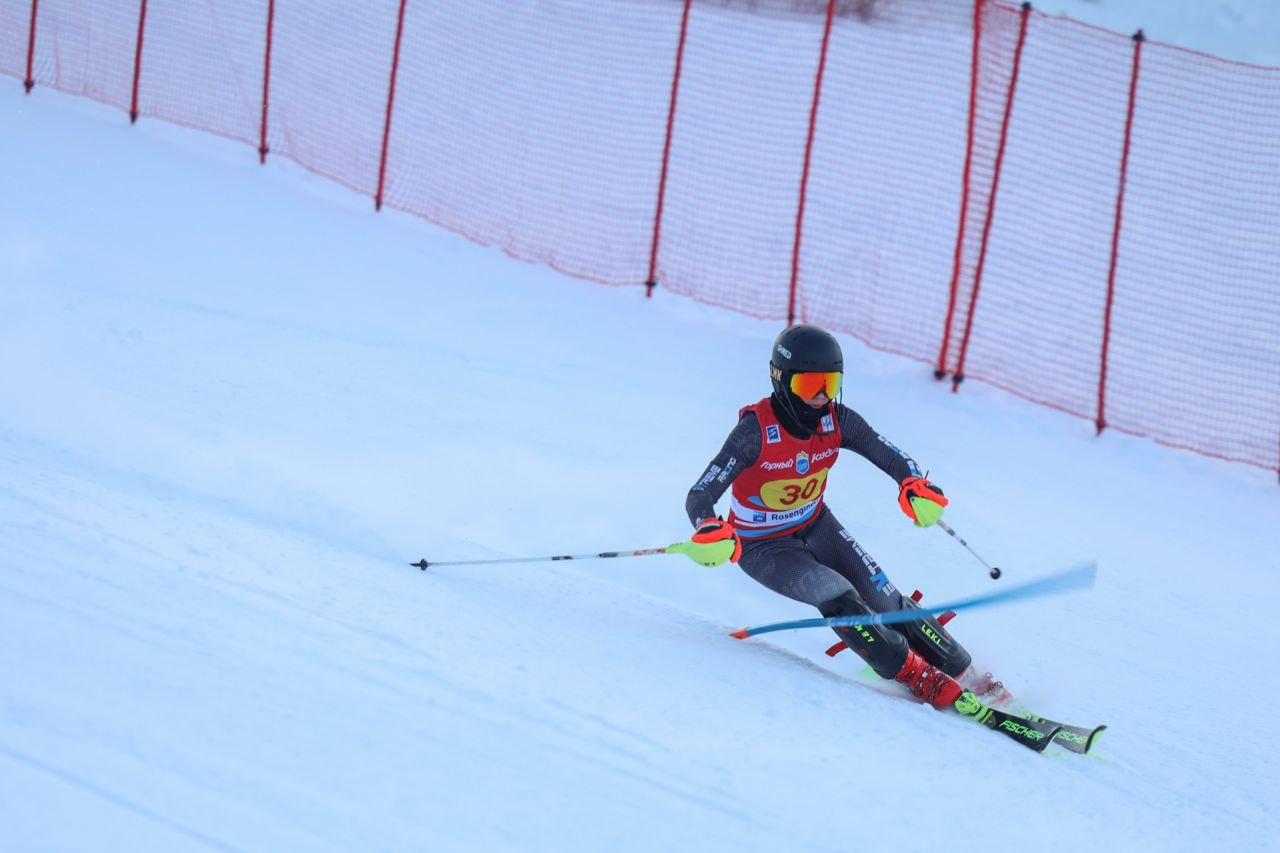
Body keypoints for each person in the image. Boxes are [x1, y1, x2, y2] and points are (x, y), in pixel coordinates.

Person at [669, 324, 978, 710]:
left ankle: (966, 671)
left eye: (829, 384)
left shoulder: (838, 420)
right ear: (782, 380)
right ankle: (917, 677)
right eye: (809, 384)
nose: (819, 397)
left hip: (818, 524)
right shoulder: (755, 431)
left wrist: (912, 483)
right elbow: (701, 492)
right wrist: (708, 526)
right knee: (838, 596)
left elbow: (887, 451)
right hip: (762, 546)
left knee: (884, 597)